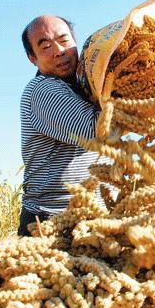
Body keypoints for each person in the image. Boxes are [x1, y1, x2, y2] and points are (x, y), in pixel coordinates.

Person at [18, 15, 104, 236]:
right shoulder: (42, 90)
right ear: (32, 58)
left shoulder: (88, 90)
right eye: (45, 46)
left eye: (64, 40)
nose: (59, 50)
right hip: (52, 225)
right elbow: (95, 132)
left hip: (97, 222)